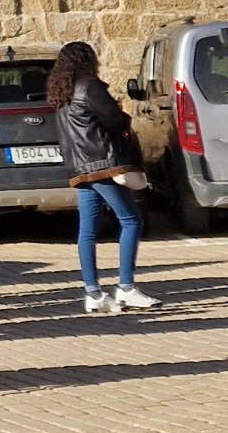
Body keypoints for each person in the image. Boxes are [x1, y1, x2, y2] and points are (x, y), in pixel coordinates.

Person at [49, 40, 157, 313]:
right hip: (103, 164)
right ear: (88, 61)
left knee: (87, 231)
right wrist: (123, 115)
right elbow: (114, 120)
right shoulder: (90, 86)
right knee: (132, 220)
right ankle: (126, 287)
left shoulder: (62, 93)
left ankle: (93, 293)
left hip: (79, 168)